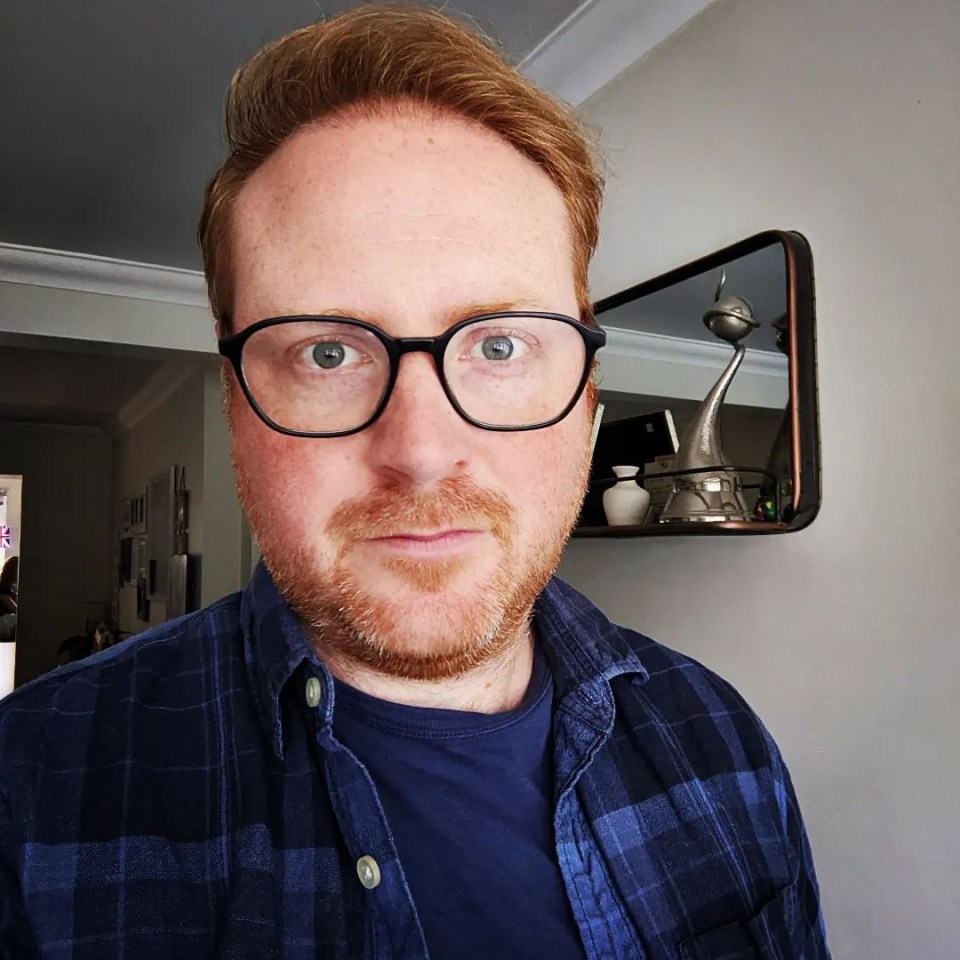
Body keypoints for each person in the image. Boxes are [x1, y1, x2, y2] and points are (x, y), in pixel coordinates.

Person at [0, 6, 830, 958]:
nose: (422, 449)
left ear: (588, 400)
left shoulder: (720, 738)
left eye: (502, 344)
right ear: (236, 405)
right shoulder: (31, 792)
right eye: (325, 351)